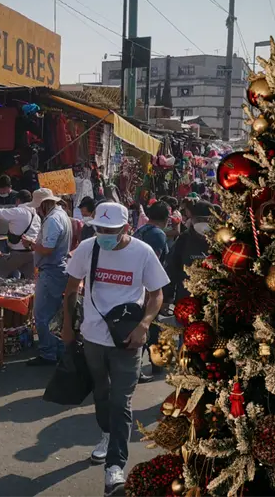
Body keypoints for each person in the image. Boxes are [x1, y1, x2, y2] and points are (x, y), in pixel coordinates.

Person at [61, 202, 169, 495]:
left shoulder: (142, 252)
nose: (104, 235)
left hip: (127, 339)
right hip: (93, 337)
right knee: (101, 392)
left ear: (126, 228)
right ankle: (106, 434)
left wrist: (145, 324)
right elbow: (72, 288)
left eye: (111, 230)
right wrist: (68, 326)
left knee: (122, 401)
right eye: (100, 229)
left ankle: (115, 467)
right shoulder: (88, 248)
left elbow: (157, 294)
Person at [22, 188, 72, 366]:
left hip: (51, 270)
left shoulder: (53, 219)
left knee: (42, 315)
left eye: (37, 207)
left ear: (43, 205)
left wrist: (31, 244)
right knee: (52, 313)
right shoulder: (61, 215)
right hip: (56, 269)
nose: (36, 210)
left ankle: (48, 353)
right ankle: (56, 349)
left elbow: (48, 249)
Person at [132, 200, 171, 383]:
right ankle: (155, 364)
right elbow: (153, 263)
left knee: (146, 326)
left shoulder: (140, 230)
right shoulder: (157, 235)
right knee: (152, 328)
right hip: (149, 288)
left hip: (137, 286)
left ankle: (152, 364)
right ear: (166, 218)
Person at [165, 201, 214, 304]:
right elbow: (172, 267)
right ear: (192, 219)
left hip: (212, 299)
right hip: (186, 298)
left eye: (207, 220)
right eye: (199, 220)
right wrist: (167, 296)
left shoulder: (220, 241)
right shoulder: (184, 239)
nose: (203, 224)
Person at [0, 190, 40, 279]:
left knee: (0, 274)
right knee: (31, 282)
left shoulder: (19, 211)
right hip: (32, 254)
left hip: (17, 254)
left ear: (18, 200)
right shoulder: (36, 215)